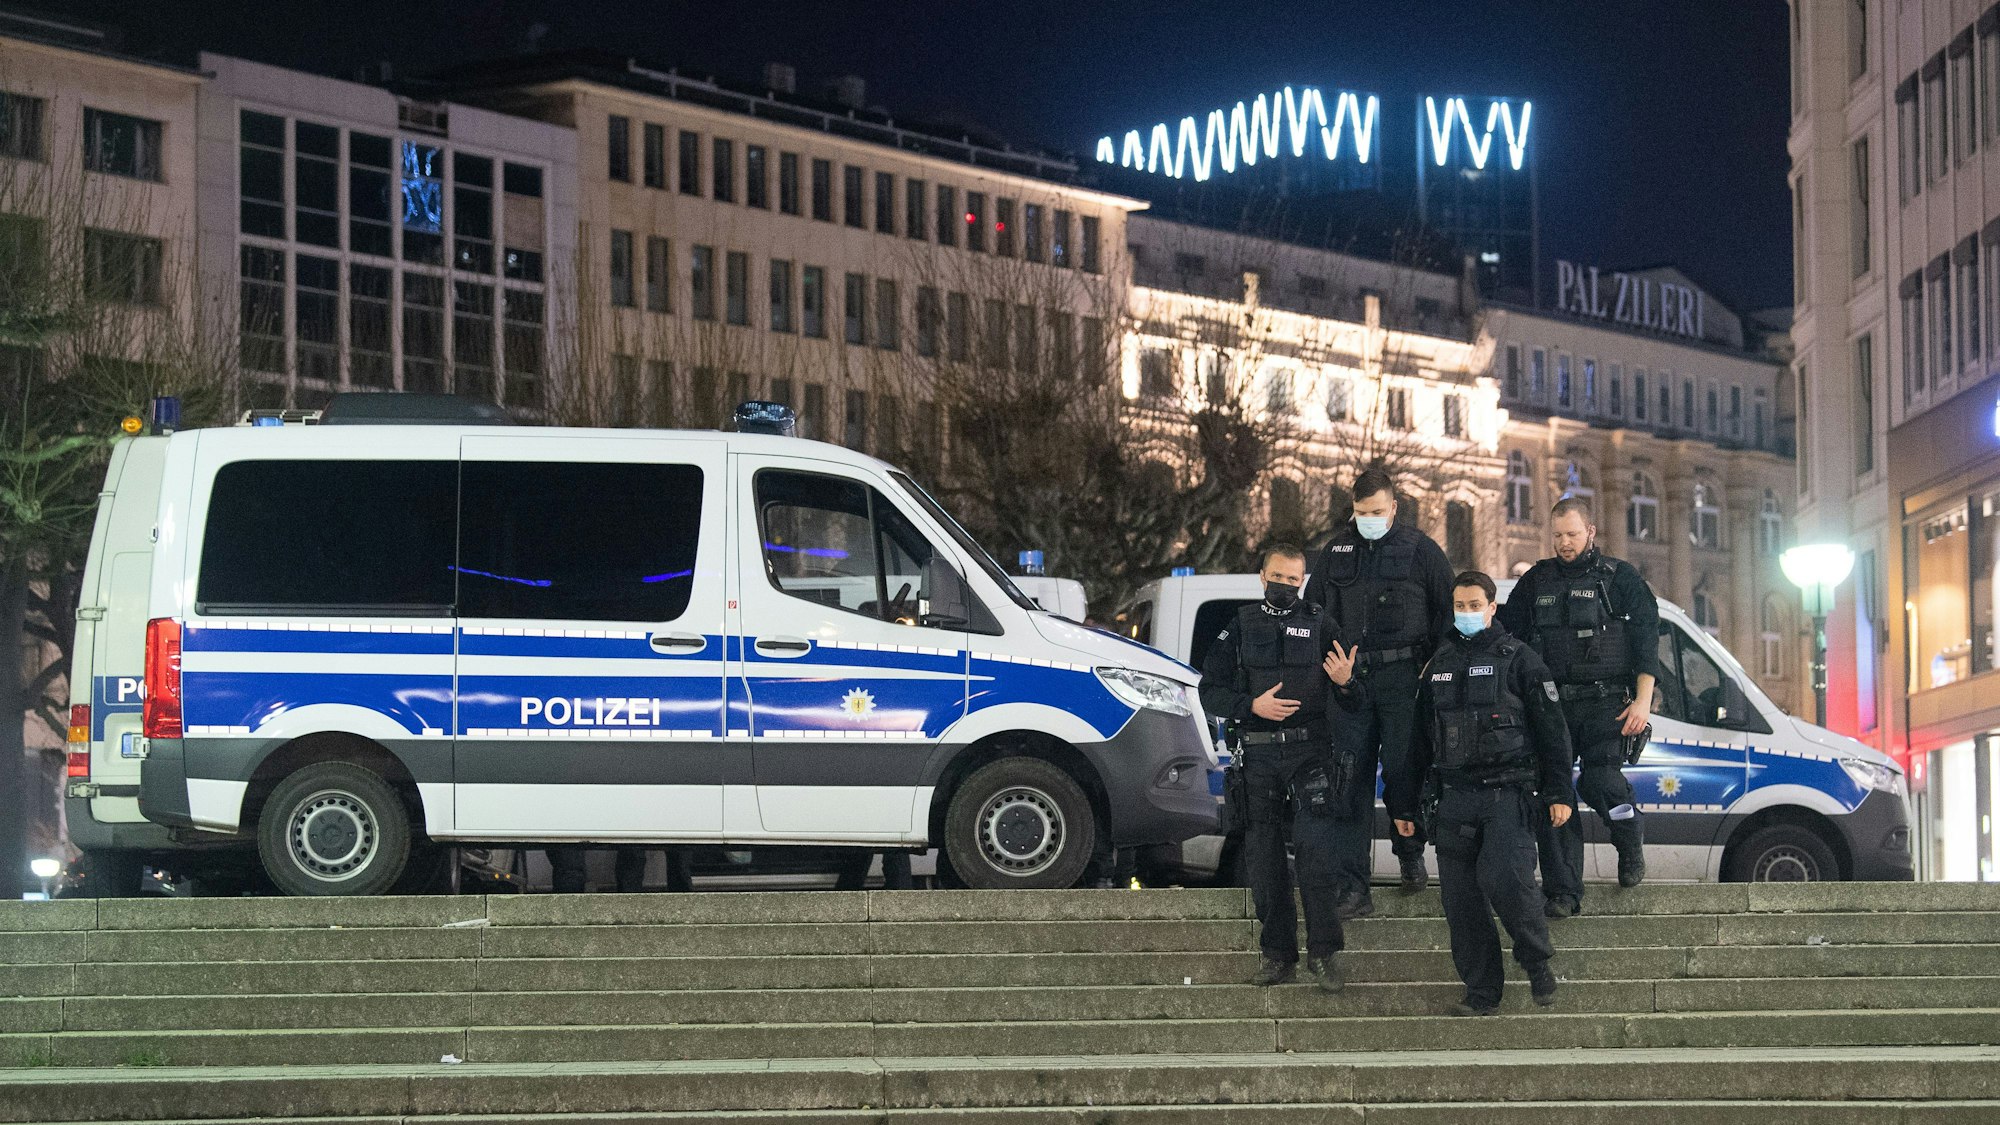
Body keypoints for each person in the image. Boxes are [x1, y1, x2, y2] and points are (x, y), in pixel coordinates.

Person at [1397, 570, 1574, 1016]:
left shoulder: (1521, 660)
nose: (1468, 613)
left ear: (1493, 607)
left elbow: (1554, 733)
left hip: (1507, 795)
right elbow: (1417, 743)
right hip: (1453, 798)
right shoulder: (1438, 664)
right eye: (1461, 606)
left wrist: (1559, 792)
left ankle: (1536, 963)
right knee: (1461, 906)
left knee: (1506, 880)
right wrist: (1403, 804)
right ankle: (1481, 994)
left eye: (1476, 605)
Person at [1201, 544, 1360, 991]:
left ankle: (1325, 955)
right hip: (1259, 757)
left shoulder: (1322, 624)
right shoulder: (1239, 626)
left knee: (1316, 858)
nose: (1285, 585)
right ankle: (1277, 956)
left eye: (1294, 579)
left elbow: (1356, 697)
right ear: (1261, 576)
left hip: (1311, 754)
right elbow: (1208, 690)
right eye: (1278, 577)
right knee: (1265, 863)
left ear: (1303, 580)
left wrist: (1347, 684)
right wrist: (1250, 706)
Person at [1495, 497, 1662, 917]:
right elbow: (1504, 636)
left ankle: (1628, 836)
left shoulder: (1620, 578)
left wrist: (1643, 701)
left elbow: (1646, 641)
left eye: (1572, 534)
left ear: (1591, 531)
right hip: (1551, 707)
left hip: (1607, 702)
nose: (1564, 543)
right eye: (1557, 536)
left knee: (1601, 782)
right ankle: (1563, 893)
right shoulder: (1536, 581)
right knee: (1555, 795)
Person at [1302, 466, 1455, 914]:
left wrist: (1433, 669)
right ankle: (1353, 886)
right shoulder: (1336, 551)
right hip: (1350, 682)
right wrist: (1331, 667)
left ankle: (1409, 854)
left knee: (1407, 774)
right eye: (1360, 511)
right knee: (1348, 780)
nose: (1368, 518)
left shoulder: (1422, 551)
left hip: (1405, 681)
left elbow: (1447, 615)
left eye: (1376, 511)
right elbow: (1316, 613)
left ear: (1394, 507)